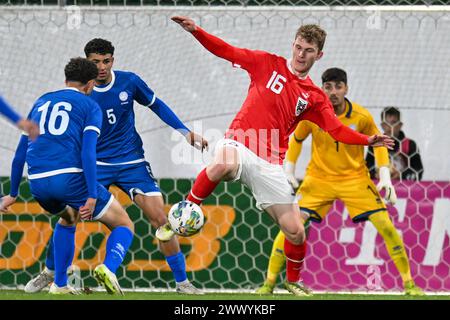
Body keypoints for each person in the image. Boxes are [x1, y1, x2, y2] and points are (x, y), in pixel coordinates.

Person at [168, 16, 394, 295]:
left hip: (271, 163)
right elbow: (226, 50)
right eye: (298, 47)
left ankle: (293, 280)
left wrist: (367, 140)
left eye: (308, 50)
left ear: (318, 55)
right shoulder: (265, 63)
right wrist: (196, 31)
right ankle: (185, 211)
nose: (301, 54)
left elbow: (336, 130)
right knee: (224, 163)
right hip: (241, 141)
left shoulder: (314, 96)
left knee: (296, 231)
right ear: (293, 45)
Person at [24, 38, 207, 295]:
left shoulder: (129, 82)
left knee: (160, 218)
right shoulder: (80, 95)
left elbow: (157, 105)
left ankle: (182, 283)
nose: (101, 67)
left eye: (106, 61)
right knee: (70, 216)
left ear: (113, 60)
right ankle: (52, 272)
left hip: (131, 162)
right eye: (95, 62)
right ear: (87, 62)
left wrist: (185, 132)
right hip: (94, 164)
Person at [256, 68, 423, 296]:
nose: (333, 92)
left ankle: (409, 285)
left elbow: (379, 143)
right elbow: (296, 138)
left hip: (355, 179)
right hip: (318, 180)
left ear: (346, 88)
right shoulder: (312, 114)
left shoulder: (361, 117)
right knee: (289, 228)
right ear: (322, 88)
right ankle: (269, 284)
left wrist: (385, 176)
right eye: (328, 87)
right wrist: (289, 169)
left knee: (386, 226)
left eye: (338, 86)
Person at [0, 58, 135, 295]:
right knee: (124, 224)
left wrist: (12, 194)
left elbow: (20, 153)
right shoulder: (89, 106)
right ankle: (109, 268)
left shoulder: (41, 101)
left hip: (38, 183)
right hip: (70, 180)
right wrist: (92, 195)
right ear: (90, 84)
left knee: (68, 218)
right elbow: (87, 152)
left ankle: (59, 284)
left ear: (65, 80)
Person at [366, 106, 424, 181]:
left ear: (400, 125)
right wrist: (376, 174)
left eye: (393, 123)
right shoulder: (375, 144)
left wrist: (401, 175)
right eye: (386, 123)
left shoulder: (410, 144)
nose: (390, 127)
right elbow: (367, 168)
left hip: (403, 188)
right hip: (381, 186)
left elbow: (418, 171)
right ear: (382, 125)